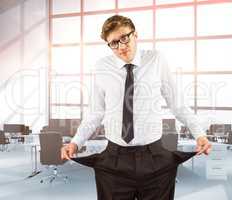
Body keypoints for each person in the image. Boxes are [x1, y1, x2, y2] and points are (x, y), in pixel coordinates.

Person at [61, 15, 211, 200]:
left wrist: (199, 134)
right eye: (114, 43)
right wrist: (76, 142)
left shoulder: (156, 60)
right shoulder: (102, 67)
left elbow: (177, 104)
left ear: (135, 34)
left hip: (154, 158)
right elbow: (96, 112)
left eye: (125, 38)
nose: (121, 46)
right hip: (115, 159)